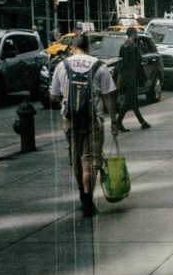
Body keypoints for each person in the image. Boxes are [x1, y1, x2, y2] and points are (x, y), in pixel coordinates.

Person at [50, 34, 118, 217]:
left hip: (70, 120)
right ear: (88, 48)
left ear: (72, 48)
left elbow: (53, 96)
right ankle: (88, 201)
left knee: (76, 159)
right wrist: (114, 120)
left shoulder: (61, 66)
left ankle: (82, 195)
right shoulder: (99, 66)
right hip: (93, 120)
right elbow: (108, 97)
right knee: (90, 161)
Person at [116, 27, 151, 131]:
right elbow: (138, 64)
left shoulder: (123, 47)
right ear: (133, 34)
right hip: (132, 77)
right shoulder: (134, 47)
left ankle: (142, 121)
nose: (137, 35)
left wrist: (119, 77)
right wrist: (143, 79)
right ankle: (118, 121)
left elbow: (120, 64)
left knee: (133, 101)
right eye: (136, 33)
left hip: (125, 77)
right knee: (128, 101)